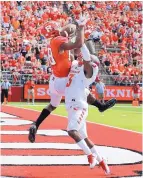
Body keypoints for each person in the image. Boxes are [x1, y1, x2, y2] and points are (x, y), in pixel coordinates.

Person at [28, 15, 116, 143]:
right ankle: (99, 107)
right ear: (55, 30)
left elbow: (72, 39)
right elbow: (77, 42)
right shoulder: (58, 40)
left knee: (53, 105)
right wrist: (81, 28)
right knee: (83, 90)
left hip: (54, 80)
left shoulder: (53, 42)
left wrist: (73, 32)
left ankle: (36, 124)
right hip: (64, 80)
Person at [65, 44, 110, 174]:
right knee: (84, 137)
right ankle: (102, 161)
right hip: (71, 107)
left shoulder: (89, 72)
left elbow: (85, 58)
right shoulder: (76, 67)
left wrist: (82, 42)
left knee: (71, 130)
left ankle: (90, 155)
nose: (81, 57)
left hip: (79, 107)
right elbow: (88, 95)